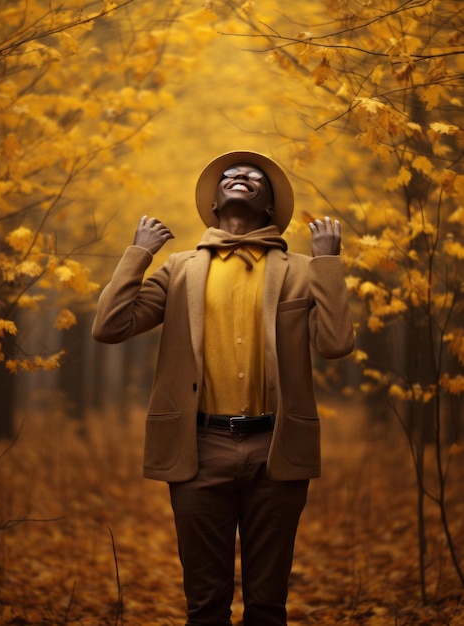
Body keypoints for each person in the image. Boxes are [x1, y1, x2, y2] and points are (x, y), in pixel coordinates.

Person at [92, 150, 354, 626]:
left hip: (278, 448)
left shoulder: (300, 269)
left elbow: (336, 344)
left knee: (268, 606)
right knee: (205, 606)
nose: (239, 177)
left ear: (271, 206)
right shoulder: (179, 269)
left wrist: (328, 264)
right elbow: (110, 326)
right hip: (197, 450)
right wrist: (139, 253)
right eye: (230, 175)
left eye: (254, 176)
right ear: (214, 202)